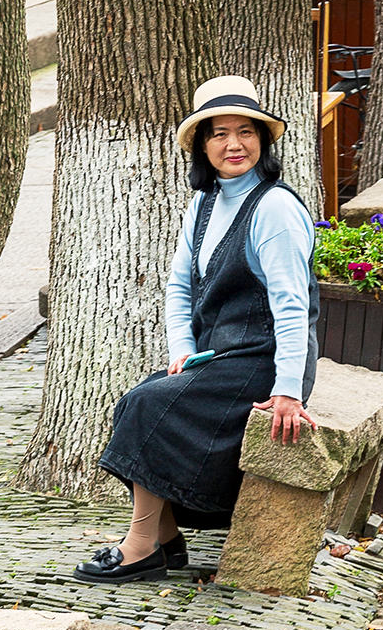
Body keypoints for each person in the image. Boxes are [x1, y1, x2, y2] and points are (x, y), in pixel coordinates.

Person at [75, 73, 319, 586]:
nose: (234, 144)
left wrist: (288, 393)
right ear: (202, 146)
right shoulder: (205, 203)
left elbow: (293, 309)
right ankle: (164, 538)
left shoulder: (274, 208)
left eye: (246, 131)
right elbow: (179, 286)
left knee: (148, 407)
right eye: (218, 133)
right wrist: (183, 350)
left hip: (265, 362)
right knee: (133, 400)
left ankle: (140, 548)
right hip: (220, 356)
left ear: (263, 140)